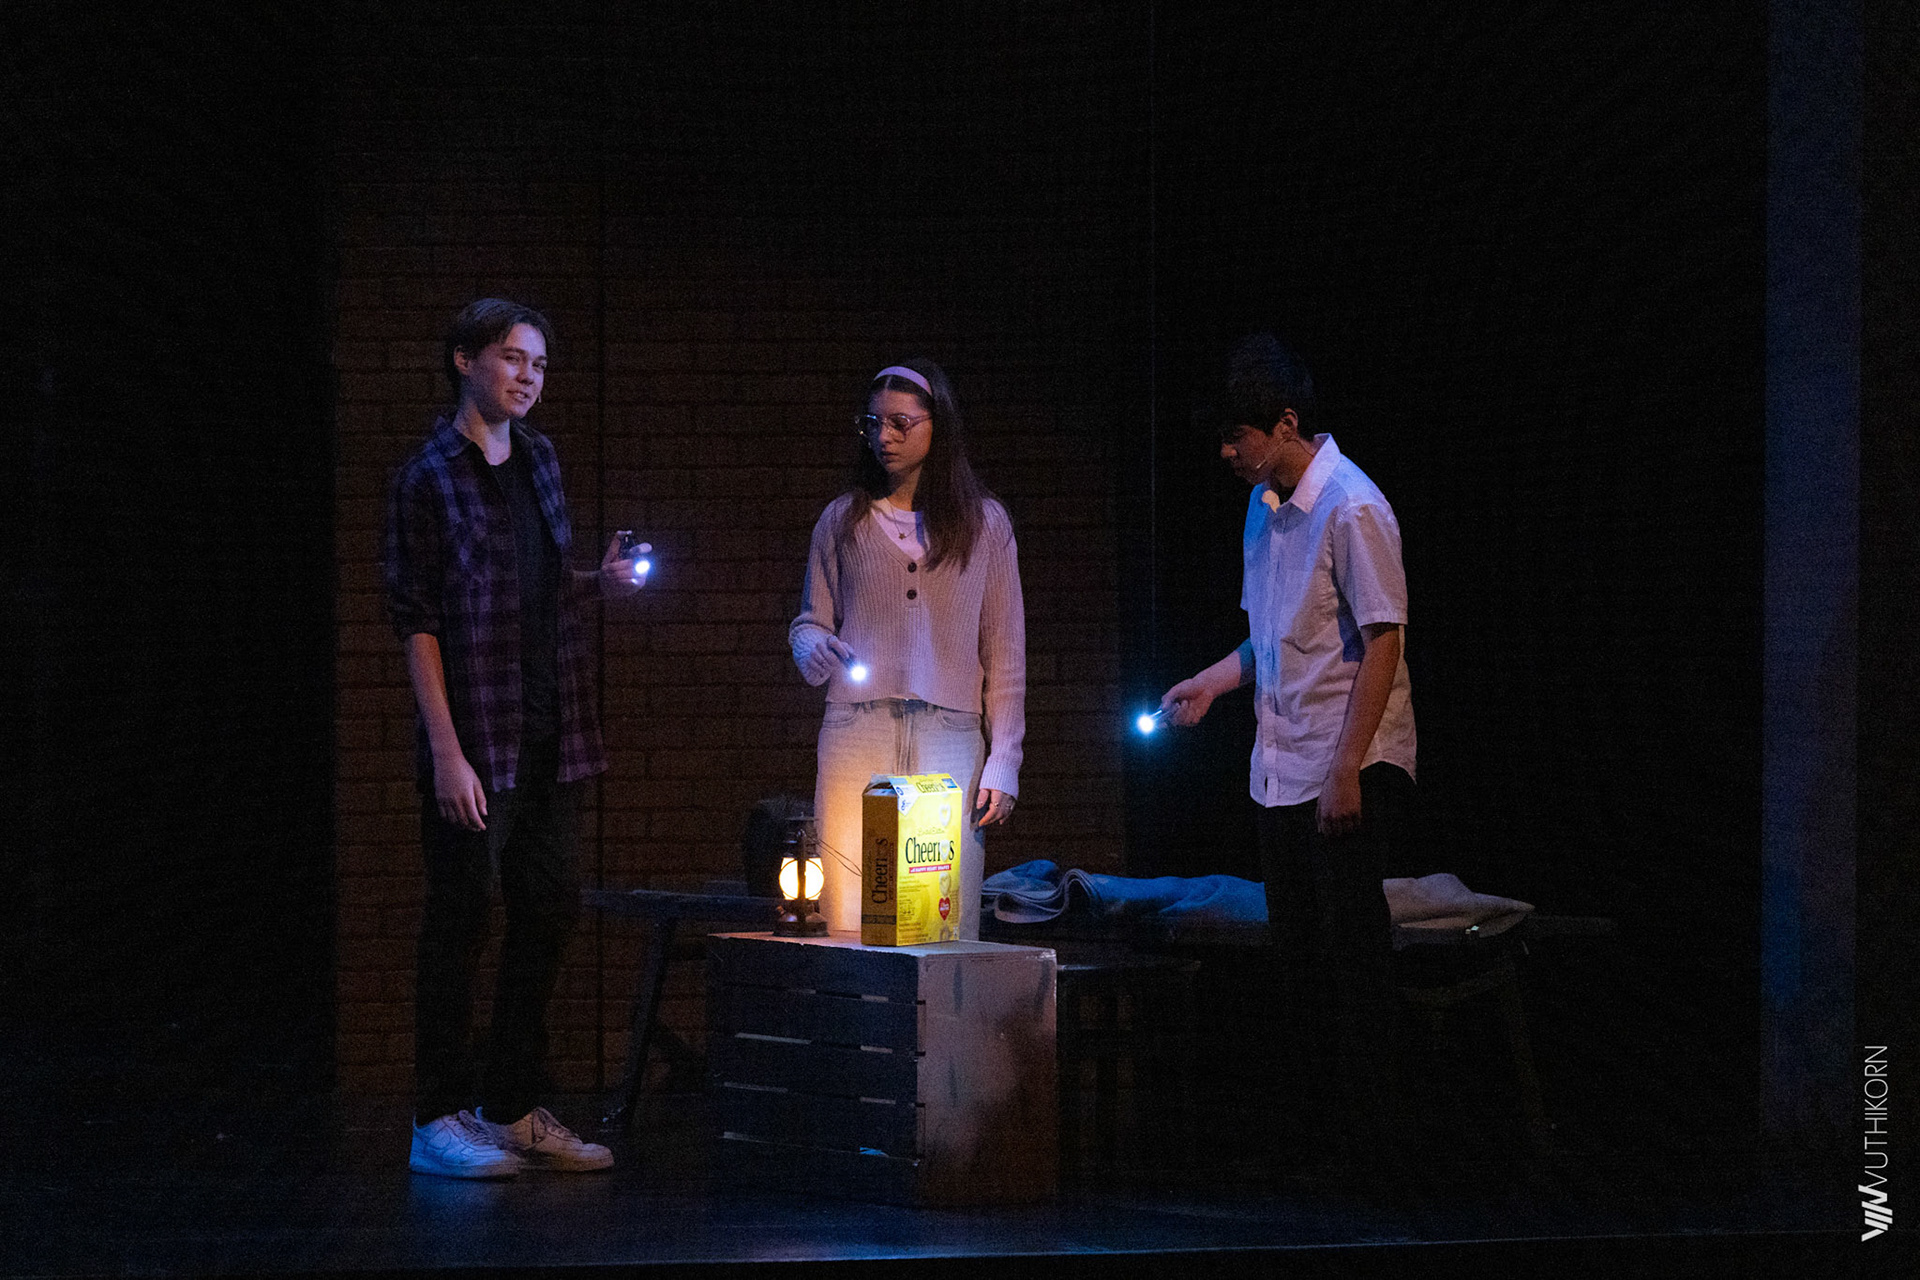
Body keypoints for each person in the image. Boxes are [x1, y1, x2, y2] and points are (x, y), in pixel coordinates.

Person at [385, 298, 645, 1178]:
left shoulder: (539, 458)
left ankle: (510, 1107)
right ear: (465, 361)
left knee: (549, 908)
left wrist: (597, 581)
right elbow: (419, 620)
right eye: (511, 358)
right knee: (462, 917)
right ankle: (436, 1116)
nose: (528, 376)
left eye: (538, 363)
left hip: (549, 729)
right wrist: (446, 751)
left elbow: (532, 585)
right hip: (474, 737)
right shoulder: (429, 476)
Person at [1158, 332, 1416, 1181]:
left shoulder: (1353, 508)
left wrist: (1345, 770)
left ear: (1286, 424)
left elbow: (1383, 642)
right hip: (1281, 769)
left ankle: (1376, 1154)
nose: (1227, 453)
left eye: (1238, 436)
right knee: (1299, 964)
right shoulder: (1263, 510)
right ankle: (1317, 1147)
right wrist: (1213, 680)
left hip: (1347, 766)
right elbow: (1272, 638)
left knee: (1353, 966)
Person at [789, 361, 1026, 939]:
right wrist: (812, 647)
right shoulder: (843, 519)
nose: (884, 437)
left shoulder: (985, 524)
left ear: (936, 425)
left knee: (942, 914)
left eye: (900, 423)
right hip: (857, 729)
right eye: (873, 424)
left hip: (950, 734)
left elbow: (1006, 653)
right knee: (851, 905)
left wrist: (1005, 758)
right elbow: (809, 621)